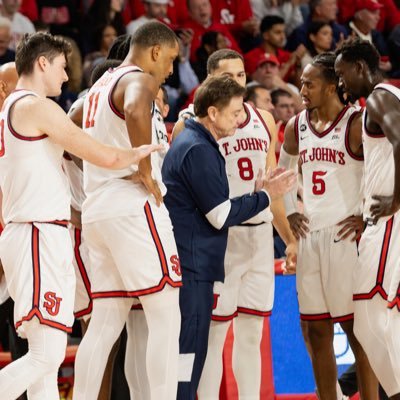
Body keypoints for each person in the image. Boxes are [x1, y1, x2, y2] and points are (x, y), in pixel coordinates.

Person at [0, 31, 161, 400]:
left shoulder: (14, 109)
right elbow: (98, 153)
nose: (65, 76)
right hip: (37, 233)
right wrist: (140, 155)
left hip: (34, 232)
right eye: (60, 66)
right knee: (46, 354)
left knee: (45, 363)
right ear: (42, 63)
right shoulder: (33, 106)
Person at [162, 74, 297, 400]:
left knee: (193, 351)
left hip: (226, 248)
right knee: (193, 350)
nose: (241, 118)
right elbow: (220, 215)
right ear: (212, 111)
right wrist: (266, 195)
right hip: (203, 258)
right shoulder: (197, 147)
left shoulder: (200, 140)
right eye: (235, 111)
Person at [73, 21, 182, 400]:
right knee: (167, 313)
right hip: (131, 205)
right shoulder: (139, 79)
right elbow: (137, 108)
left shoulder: (98, 86)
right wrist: (145, 168)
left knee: (104, 323)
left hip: (98, 209)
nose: (170, 70)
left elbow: (70, 128)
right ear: (154, 51)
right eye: (170, 59)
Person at [280, 51, 378, 400]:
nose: (302, 89)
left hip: (344, 237)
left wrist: (367, 215)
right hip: (311, 237)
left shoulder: (357, 123)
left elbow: (380, 170)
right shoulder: (297, 125)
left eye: (309, 83)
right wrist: (290, 208)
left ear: (333, 85)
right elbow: (283, 169)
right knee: (316, 330)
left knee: (357, 332)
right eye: (302, 83)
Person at [335, 38, 400, 399]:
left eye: (343, 76)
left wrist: (394, 200)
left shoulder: (378, 96)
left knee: (371, 315)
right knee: (379, 319)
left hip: (391, 221)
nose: (342, 84)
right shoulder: (385, 98)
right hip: (381, 219)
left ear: (361, 68)